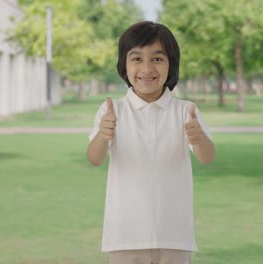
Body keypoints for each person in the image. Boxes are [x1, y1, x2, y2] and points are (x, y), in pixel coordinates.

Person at [87, 21, 215, 264]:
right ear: (124, 65)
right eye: (136, 59)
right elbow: (94, 159)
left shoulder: (185, 111)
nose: (146, 68)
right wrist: (103, 135)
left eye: (157, 59)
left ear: (171, 65)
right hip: (124, 236)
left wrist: (198, 138)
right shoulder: (112, 110)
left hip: (174, 236)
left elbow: (207, 157)